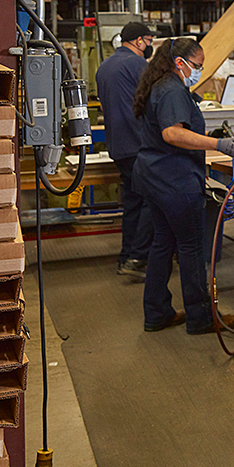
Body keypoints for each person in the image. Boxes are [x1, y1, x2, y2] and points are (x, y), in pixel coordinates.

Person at [131, 38, 234, 334]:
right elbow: (172, 133)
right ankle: (201, 317)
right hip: (174, 181)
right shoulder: (171, 88)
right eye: (197, 66)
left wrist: (207, 135)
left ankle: (156, 312)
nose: (199, 71)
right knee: (192, 247)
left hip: (155, 178)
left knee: (163, 243)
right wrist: (218, 144)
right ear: (179, 63)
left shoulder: (160, 85)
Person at [95, 21, 156, 280]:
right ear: (139, 41)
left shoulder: (103, 67)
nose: (150, 45)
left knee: (133, 202)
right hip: (139, 143)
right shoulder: (139, 65)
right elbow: (154, 101)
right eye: (149, 40)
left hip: (119, 146)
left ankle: (126, 257)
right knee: (153, 200)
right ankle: (136, 258)